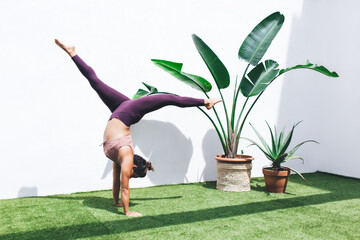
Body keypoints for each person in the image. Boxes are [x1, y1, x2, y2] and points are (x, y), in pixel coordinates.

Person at [55, 39, 222, 217]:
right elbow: (124, 186)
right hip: (128, 113)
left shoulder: (120, 157)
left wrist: (115, 201)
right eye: (133, 175)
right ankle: (205, 101)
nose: (129, 176)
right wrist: (127, 212)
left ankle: (73, 52)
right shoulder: (126, 155)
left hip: (121, 110)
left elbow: (116, 183)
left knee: (95, 83)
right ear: (134, 166)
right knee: (166, 99)